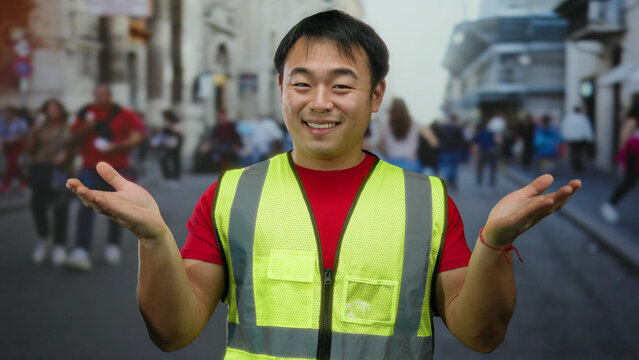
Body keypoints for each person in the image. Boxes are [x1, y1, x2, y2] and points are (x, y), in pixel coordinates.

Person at [67, 10, 581, 359]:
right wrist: (154, 239)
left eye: (341, 85)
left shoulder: (426, 201)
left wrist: (494, 242)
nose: (319, 102)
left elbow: (480, 334)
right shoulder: (231, 193)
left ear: (376, 95)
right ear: (280, 89)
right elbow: (173, 332)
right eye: (302, 83)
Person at [66, 84, 145, 270]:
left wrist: (116, 146)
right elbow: (73, 137)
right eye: (96, 95)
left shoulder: (124, 114)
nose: (99, 98)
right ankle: (81, 249)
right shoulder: (86, 113)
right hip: (89, 167)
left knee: (115, 207)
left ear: (110, 96)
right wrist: (87, 127)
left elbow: (137, 136)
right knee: (85, 206)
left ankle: (113, 244)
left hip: (117, 168)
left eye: (102, 95)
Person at [26, 99, 74, 265]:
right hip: (40, 168)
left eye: (55, 108)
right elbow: (30, 148)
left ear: (61, 110)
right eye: (49, 108)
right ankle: (43, 238)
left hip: (58, 170)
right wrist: (33, 130)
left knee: (60, 206)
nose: (52, 111)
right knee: (37, 205)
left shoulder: (66, 127)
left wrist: (65, 155)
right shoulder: (40, 127)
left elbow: (72, 147)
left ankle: (59, 245)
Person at [601, 104, 639, 223]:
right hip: (633, 155)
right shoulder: (632, 120)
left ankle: (610, 205)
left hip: (634, 154)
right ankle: (609, 205)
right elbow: (624, 138)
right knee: (629, 182)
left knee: (630, 182)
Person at [378, 98, 421, 172]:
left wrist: (387, 154)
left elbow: (380, 144)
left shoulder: (385, 123)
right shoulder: (414, 123)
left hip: (392, 162)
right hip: (411, 162)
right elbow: (433, 142)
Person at [0, 106, 29, 194]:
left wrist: (13, 139)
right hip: (7, 145)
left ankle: (6, 184)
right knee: (13, 164)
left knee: (11, 163)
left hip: (17, 145)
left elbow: (24, 134)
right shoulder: (2, 121)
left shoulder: (20, 122)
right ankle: (24, 179)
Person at [152, 110, 183, 187]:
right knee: (164, 159)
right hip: (167, 143)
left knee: (175, 160)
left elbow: (179, 131)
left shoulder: (174, 122)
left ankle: (174, 177)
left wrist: (170, 127)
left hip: (175, 143)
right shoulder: (167, 123)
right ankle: (167, 176)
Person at [560, 106, 594, 173]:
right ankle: (578, 165)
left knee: (573, 151)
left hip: (571, 138)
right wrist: (590, 138)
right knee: (579, 152)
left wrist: (564, 136)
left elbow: (565, 127)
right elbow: (586, 128)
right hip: (580, 138)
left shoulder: (568, 118)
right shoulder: (583, 118)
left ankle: (574, 163)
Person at [436, 113, 465, 190]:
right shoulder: (458, 128)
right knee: (454, 167)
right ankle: (452, 182)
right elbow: (461, 140)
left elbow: (438, 139)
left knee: (446, 166)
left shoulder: (442, 128)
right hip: (455, 150)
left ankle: (447, 180)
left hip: (444, 149)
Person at [473, 119, 499, 190]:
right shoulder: (492, 132)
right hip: (492, 151)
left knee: (481, 167)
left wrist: (475, 156)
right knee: (492, 168)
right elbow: (498, 141)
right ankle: (491, 183)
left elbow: (476, 145)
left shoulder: (479, 133)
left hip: (483, 151)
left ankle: (479, 182)